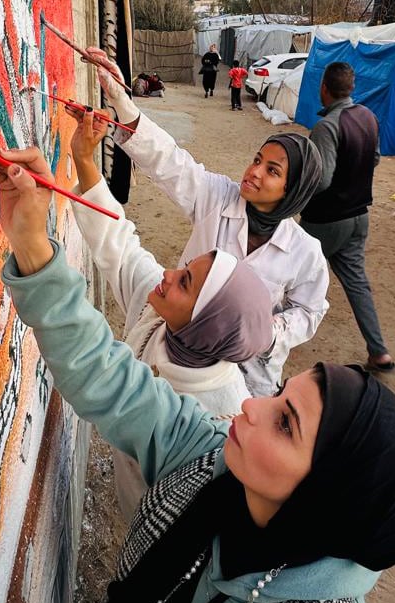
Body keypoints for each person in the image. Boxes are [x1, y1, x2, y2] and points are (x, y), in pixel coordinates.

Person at [0, 146, 395, 603]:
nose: (249, 406)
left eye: (285, 425)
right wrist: (32, 244)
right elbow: (105, 375)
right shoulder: (207, 457)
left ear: (329, 495)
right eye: (280, 398)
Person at [67, 106, 277, 520]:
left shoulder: (222, 417)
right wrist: (84, 161)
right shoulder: (161, 317)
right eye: (184, 269)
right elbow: (121, 247)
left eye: (185, 282)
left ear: (207, 324)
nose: (167, 274)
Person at [84, 47, 329, 397]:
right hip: (185, 361)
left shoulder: (305, 253)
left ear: (293, 191)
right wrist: (121, 100)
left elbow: (310, 311)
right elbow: (169, 161)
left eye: (272, 171)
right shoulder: (218, 197)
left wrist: (271, 332)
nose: (254, 172)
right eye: (257, 160)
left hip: (250, 379)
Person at [300, 62, 395, 373]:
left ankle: (256, 337)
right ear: (351, 89)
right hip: (359, 217)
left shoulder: (327, 127)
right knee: (357, 284)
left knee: (287, 271)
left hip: (327, 220)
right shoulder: (368, 117)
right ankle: (379, 352)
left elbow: (322, 179)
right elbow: (376, 158)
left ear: (323, 88)